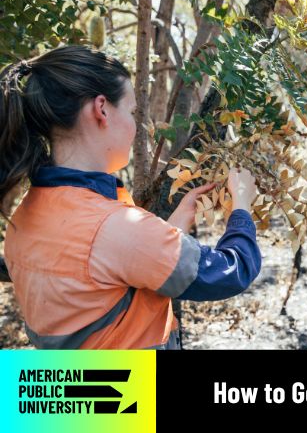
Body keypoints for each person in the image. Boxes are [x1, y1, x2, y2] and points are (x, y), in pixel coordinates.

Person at [0, 45, 262, 349]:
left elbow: (103, 281)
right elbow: (231, 271)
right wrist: (241, 207)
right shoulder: (111, 226)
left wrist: (171, 230)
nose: (135, 124)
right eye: (132, 111)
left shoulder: (23, 218)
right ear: (101, 109)